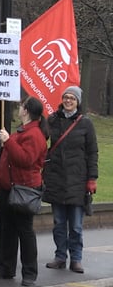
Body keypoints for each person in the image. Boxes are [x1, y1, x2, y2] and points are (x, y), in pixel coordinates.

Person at [0, 96, 48, 286]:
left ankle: (29, 273)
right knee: (8, 230)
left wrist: (8, 141)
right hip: (10, 187)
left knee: (25, 232)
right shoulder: (24, 131)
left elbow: (25, 160)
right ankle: (7, 267)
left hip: (24, 189)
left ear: (27, 110)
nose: (19, 108)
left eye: (22, 106)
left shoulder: (35, 134)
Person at [43, 86, 98, 274]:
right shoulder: (53, 120)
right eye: (65, 97)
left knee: (75, 225)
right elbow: (40, 138)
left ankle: (76, 258)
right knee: (59, 223)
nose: (68, 101)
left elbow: (92, 153)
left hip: (77, 181)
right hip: (56, 178)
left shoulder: (86, 124)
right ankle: (60, 256)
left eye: (72, 98)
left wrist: (92, 178)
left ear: (78, 102)